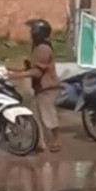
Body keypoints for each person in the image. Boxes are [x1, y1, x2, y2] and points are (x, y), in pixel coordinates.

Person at [8, 19, 61, 153]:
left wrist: (15, 75)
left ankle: (56, 141)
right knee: (36, 117)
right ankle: (40, 143)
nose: (30, 33)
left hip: (47, 88)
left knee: (48, 116)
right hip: (40, 88)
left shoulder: (43, 49)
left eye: (32, 30)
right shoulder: (38, 47)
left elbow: (37, 72)